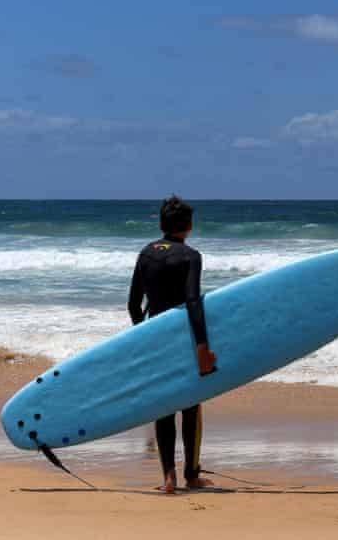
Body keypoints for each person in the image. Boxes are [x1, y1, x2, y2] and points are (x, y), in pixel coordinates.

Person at [128, 196, 217, 494]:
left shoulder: (146, 253)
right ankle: (191, 475)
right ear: (189, 226)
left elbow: (132, 304)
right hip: (182, 338)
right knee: (191, 405)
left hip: (155, 339)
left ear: (161, 224)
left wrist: (142, 337)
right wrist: (202, 345)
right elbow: (192, 302)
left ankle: (169, 476)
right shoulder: (191, 256)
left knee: (164, 405)